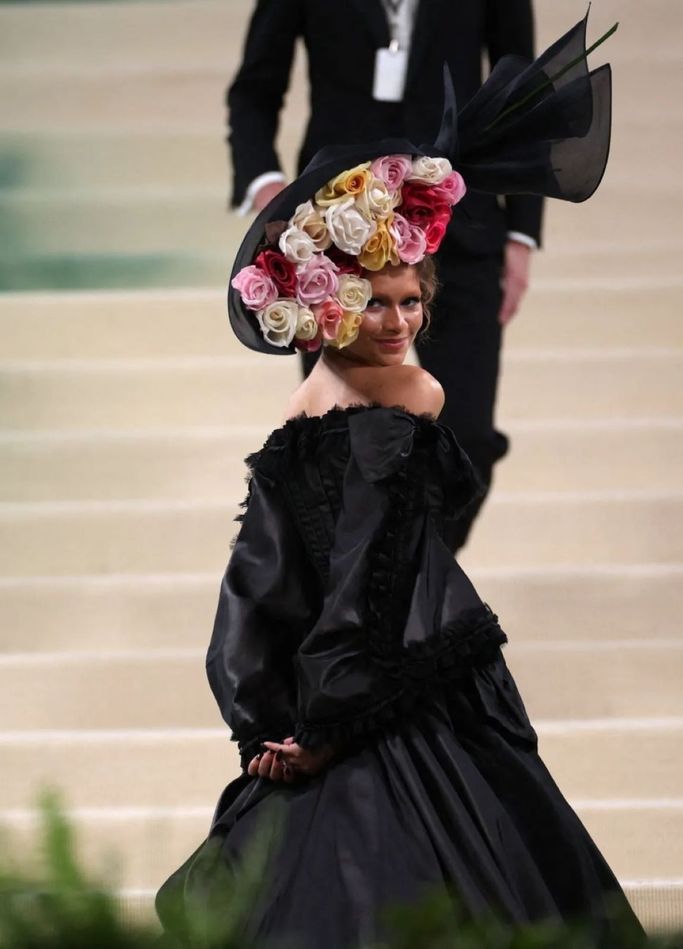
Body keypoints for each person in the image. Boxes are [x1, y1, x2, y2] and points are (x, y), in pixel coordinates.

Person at [157, 17, 639, 947]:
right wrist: (275, 194)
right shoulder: (364, 375)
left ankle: (372, 639)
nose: (400, 320)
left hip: (451, 215)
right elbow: (256, 82)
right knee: (363, 464)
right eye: (389, 308)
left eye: (407, 307)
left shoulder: (376, 391)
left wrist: (517, 231)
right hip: (325, 219)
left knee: (405, 459)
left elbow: (522, 78)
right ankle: (372, 645)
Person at [226, 0, 544, 550]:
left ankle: (400, 584)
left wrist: (521, 233)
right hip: (334, 239)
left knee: (466, 437)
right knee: (338, 442)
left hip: (458, 228)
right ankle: (364, 597)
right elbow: (255, 88)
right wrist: (266, 185)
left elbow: (523, 94)